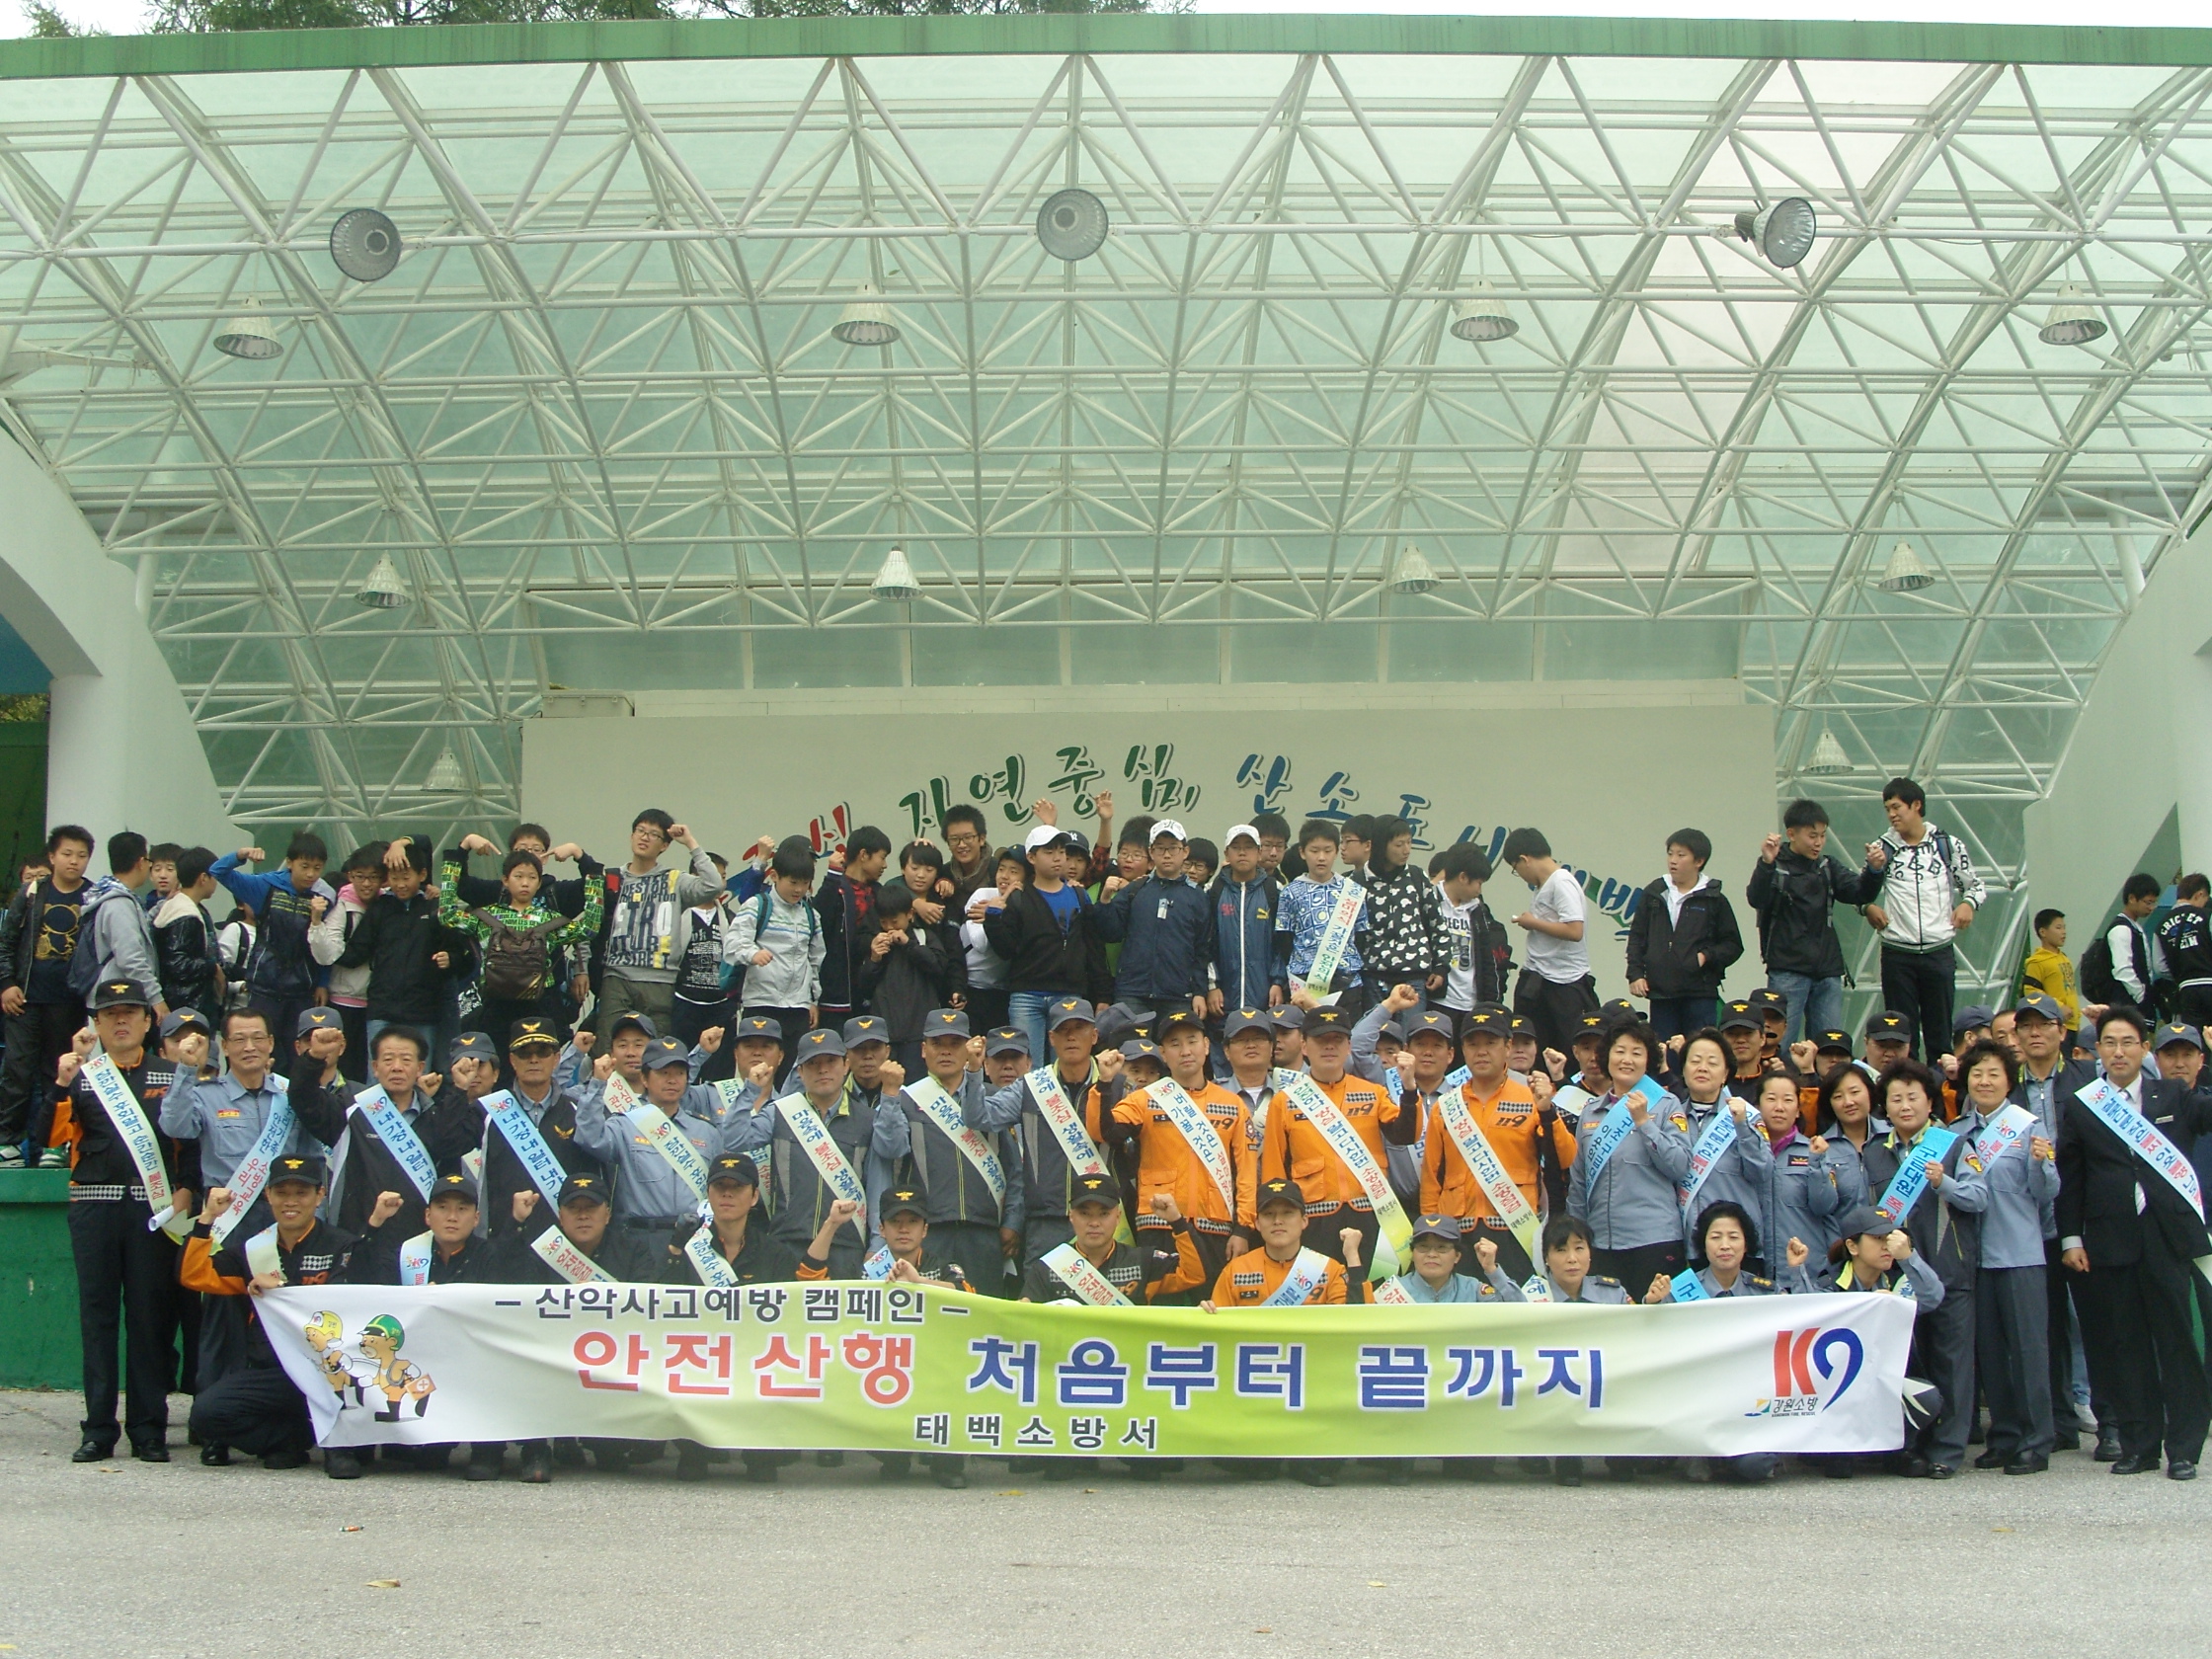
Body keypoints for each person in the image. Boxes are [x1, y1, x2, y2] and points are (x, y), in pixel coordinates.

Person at [2058, 1005, 2212, 1479]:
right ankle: (2140, 1446)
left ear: (2145, 1049)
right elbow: (2072, 1177)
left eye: (2128, 1042)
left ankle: (2183, 1448)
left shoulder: (2174, 1093)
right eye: (2110, 1043)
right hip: (2111, 1237)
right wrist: (2071, 1237)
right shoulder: (2083, 1104)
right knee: (2126, 1345)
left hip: (2166, 1236)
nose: (2119, 1052)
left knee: (2177, 1342)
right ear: (2098, 1050)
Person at [182, 1153, 380, 1476]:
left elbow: (346, 1304)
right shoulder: (252, 1250)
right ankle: (289, 1439)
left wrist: (284, 1288)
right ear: (268, 1196)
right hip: (274, 1371)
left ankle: (340, 1444)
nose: (291, 1202)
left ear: (319, 1196)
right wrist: (207, 1218)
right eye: (282, 1193)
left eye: (301, 1193)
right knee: (206, 1414)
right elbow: (193, 1275)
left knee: (348, 1466)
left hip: (330, 1373)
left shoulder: (342, 1245)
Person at [55, 978, 183, 1463]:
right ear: (97, 1024)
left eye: (131, 1012)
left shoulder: (169, 1074)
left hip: (152, 1213)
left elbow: (188, 1144)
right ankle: (98, 1429)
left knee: (150, 1318)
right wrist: (62, 1083)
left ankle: (148, 1429)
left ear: (149, 1022)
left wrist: (186, 1191)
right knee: (98, 1317)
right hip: (94, 1208)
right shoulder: (83, 1074)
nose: (121, 1021)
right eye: (110, 1014)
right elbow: (51, 1135)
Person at [485, 1174, 662, 1477]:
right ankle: (536, 1449)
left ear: (607, 1214)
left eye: (590, 1208)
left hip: (612, 1351)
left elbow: (648, 1303)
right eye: (573, 1208)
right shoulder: (544, 1251)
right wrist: (516, 1222)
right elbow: (505, 1281)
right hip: (550, 1349)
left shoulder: (632, 1249)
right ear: (560, 1215)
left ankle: (607, 1443)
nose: (582, 1215)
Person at [1938, 1039, 2060, 1476]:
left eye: (1994, 1074)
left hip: (2019, 1253)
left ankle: (2036, 1440)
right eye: (1977, 1073)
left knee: (2028, 1352)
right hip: (1973, 1259)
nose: (1985, 1081)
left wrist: (2042, 1164)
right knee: (1989, 1354)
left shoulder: (2026, 1127)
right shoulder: (1955, 1133)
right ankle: (2004, 1437)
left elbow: (2046, 1193)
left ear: (2009, 1081)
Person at [1862, 1060, 1977, 1478]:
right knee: (1910, 1362)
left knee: (1952, 1364)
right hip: (1898, 1280)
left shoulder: (1954, 1145)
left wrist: (1944, 1182)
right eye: (1896, 1099)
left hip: (1948, 1271)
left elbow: (1978, 1198)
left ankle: (1947, 1450)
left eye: (1913, 1097)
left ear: (1930, 1102)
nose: (1905, 1106)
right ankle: (1913, 1446)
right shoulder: (1875, 1152)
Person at [875, 1008, 1023, 1298]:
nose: (945, 1051)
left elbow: (1014, 1168)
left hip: (984, 1230)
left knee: (984, 1309)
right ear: (923, 1049)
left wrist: (1013, 1222)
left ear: (968, 1049)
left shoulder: (993, 1097)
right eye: (937, 1044)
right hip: (929, 1231)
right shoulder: (906, 1099)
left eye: (954, 1044)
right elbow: (889, 1148)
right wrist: (890, 1094)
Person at [1107, 1006, 1255, 1294]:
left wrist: (1243, 1229)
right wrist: (1104, 1084)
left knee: (1213, 1307)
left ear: (1206, 1046)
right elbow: (1106, 1130)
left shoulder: (1233, 1104)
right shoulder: (1145, 1099)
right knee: (1160, 1307)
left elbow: (1246, 1174)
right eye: (1175, 1044)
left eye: (1192, 1041)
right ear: (1163, 1054)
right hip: (1158, 1224)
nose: (1185, 1051)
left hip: (1215, 1227)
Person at [1421, 1006, 1573, 1284]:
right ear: (1462, 1050)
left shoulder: (1530, 1098)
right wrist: (1432, 1230)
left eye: (1490, 1043)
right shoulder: (1446, 1106)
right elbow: (1432, 1178)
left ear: (1508, 1047)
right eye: (1473, 1044)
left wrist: (1548, 1111)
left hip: (1515, 1227)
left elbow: (1566, 1157)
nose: (1481, 1052)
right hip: (1457, 1231)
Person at [284, 1023, 479, 1236]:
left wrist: (459, 1090)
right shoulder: (350, 1112)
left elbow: (451, 1143)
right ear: (375, 1068)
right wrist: (314, 1058)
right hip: (358, 1236)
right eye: (388, 1060)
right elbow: (303, 1099)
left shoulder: (434, 1116)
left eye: (406, 1060)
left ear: (420, 1068)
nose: (397, 1067)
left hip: (419, 1241)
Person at [1258, 1004, 1413, 1269]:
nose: (1329, 1046)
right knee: (1320, 1290)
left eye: (1337, 1039)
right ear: (1304, 1046)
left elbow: (1404, 1135)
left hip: (1373, 1213)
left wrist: (1409, 1090)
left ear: (1349, 1046)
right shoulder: (1284, 1102)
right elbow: (1274, 1171)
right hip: (1313, 1219)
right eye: (1321, 1040)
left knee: (1375, 1287)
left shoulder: (1373, 1093)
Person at [739, 1026, 901, 1279]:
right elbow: (736, 1140)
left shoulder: (868, 1119)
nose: (822, 1069)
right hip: (788, 1240)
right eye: (813, 1063)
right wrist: (751, 1090)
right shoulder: (780, 1112)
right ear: (800, 1072)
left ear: (846, 1065)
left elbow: (878, 1186)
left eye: (830, 1061)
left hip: (847, 1244)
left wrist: (876, 1245)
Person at [1859, 777, 1985, 1062]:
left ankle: (1942, 1084)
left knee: (1940, 1033)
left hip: (1939, 951)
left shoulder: (1947, 845)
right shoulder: (1882, 848)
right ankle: (1906, 1082)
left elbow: (1975, 885)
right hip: (1897, 953)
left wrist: (1968, 904)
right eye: (1887, 809)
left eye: (1896, 807)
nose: (1891, 815)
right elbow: (1859, 891)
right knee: (1901, 1035)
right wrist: (1868, 907)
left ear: (1916, 805)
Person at [1564, 1021, 1691, 1290]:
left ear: (1648, 1060)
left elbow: (1680, 1165)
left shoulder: (1666, 1105)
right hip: (1601, 1241)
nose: (1627, 1060)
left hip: (1654, 1239)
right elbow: (1579, 1181)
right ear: (1607, 1055)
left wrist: (1645, 1123)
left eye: (1636, 1053)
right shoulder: (1590, 1111)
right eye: (1620, 1051)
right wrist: (1577, 1236)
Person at [438, 847, 602, 1049]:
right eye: (518, 876)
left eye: (532, 877)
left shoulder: (548, 918)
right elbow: (446, 915)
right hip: (495, 1007)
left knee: (537, 1061)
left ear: (539, 883)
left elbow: (589, 928)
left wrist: (589, 867)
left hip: (539, 1005)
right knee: (496, 1061)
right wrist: (459, 853)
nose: (525, 883)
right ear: (505, 880)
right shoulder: (486, 916)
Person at [0, 824, 94, 1167]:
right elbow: (7, 942)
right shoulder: (31, 893)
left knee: (59, 1072)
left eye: (81, 855)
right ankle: (8, 1143)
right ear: (52, 857)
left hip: (69, 1002)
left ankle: (55, 1144)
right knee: (17, 1070)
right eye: (67, 854)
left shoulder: (93, 897)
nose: (74, 861)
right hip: (24, 1000)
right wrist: (6, 983)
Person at [1745, 799, 1874, 1046]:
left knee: (1830, 1046)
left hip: (1827, 970)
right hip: (1787, 969)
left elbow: (1859, 893)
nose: (1818, 843)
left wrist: (1874, 871)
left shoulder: (1827, 866)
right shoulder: (1776, 866)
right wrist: (1766, 864)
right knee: (1781, 1044)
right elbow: (1756, 898)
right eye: (1812, 836)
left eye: (1823, 836)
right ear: (1791, 834)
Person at [588, 809, 725, 1035]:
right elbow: (590, 924)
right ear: (632, 835)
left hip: (661, 980)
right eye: (640, 831)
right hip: (616, 977)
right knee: (610, 1044)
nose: (644, 837)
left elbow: (713, 885)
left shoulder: (675, 879)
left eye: (653, 834)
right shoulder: (612, 879)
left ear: (664, 846)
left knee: (657, 1049)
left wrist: (690, 842)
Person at [981, 827, 1110, 1065]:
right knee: (1029, 1068)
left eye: (1061, 851)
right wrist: (993, 919)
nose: (1058, 858)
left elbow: (1093, 947)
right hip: (1027, 995)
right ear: (1031, 857)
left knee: (1068, 1066)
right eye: (1049, 852)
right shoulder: (1020, 896)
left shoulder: (1078, 895)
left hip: (1069, 994)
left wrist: (1102, 993)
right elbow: (1006, 950)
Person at [572, 1034, 721, 1233]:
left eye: (679, 1073)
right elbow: (589, 1139)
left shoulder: (706, 1130)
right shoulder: (625, 1125)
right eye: (663, 1073)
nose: (672, 1080)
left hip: (696, 1236)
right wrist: (597, 1084)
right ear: (644, 1078)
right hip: (642, 1235)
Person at [478, 1017, 600, 1240]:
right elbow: (483, 1186)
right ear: (512, 1060)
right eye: (524, 1053)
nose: (533, 1060)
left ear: (556, 1059)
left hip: (565, 1244)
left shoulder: (577, 1112)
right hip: (507, 1239)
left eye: (542, 1052)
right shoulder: (492, 1113)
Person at [337, 839, 454, 1052]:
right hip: (382, 1009)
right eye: (394, 878)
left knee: (418, 1067)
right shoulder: (380, 908)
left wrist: (451, 959)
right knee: (378, 1067)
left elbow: (458, 952)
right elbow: (356, 952)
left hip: (423, 1010)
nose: (400, 884)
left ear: (422, 875)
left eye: (406, 878)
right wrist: (321, 939)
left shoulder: (434, 908)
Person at [1625, 829, 1742, 1042]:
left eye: (1681, 855)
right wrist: (1635, 974)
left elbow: (1732, 944)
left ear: (1699, 861)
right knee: (1664, 1050)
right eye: (1670, 853)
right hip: (1661, 992)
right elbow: (1637, 936)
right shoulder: (1654, 893)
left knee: (1699, 1048)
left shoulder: (1713, 898)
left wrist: (1705, 956)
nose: (1673, 860)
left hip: (1700, 993)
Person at [210, 834, 331, 1042]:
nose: (311, 874)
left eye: (317, 868)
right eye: (304, 866)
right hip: (264, 987)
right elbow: (218, 871)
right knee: (262, 1045)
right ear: (290, 863)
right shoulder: (266, 886)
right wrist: (241, 855)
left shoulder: (324, 896)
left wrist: (322, 982)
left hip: (302, 990)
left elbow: (324, 946)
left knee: (298, 1050)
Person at [1094, 819, 1213, 1024]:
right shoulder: (1135, 889)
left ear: (1185, 852)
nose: (1166, 854)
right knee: (1132, 1044)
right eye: (1160, 848)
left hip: (1178, 994)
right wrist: (1104, 900)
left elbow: (1202, 949)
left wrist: (1200, 992)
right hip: (1133, 992)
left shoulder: (1197, 897)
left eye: (1173, 848)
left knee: (1177, 1044)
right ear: (1151, 852)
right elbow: (1110, 933)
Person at [725, 835, 826, 1068]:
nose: (799, 889)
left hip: (797, 1008)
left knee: (794, 1073)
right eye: (793, 882)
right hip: (761, 1003)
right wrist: (752, 954)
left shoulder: (811, 915)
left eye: (805, 883)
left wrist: (812, 1000)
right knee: (758, 1072)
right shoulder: (757, 905)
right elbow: (732, 943)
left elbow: (815, 960)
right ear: (774, 876)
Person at [1673, 1033, 1771, 1267]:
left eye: (1712, 1062)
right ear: (1683, 1070)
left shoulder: (1746, 1116)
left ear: (1726, 1073)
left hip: (1735, 1246)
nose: (1702, 1068)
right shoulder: (1670, 1116)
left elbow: (1763, 1172)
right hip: (1686, 1244)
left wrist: (1742, 1127)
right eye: (1695, 1061)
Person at [1500, 829, 1598, 1056]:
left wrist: (1533, 923)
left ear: (1524, 859)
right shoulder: (1544, 885)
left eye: (1515, 869)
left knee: (1565, 1048)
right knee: (1529, 1044)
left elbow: (1575, 930)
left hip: (1563, 981)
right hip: (1538, 976)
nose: (1519, 875)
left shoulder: (1561, 882)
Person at [856, 886, 962, 1078]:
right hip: (885, 1034)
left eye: (895, 921)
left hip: (918, 1034)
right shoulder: (876, 942)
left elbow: (939, 968)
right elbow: (864, 988)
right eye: (884, 922)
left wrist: (908, 945)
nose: (889, 927)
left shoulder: (924, 937)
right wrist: (874, 959)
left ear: (910, 914)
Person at [1761, 1067, 1861, 1261]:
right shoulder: (1747, 1151)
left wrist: (1817, 1163)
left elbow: (1825, 1205)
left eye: (1788, 1100)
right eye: (1771, 1099)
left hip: (1806, 1263)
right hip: (1758, 1264)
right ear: (1757, 1106)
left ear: (1798, 1110)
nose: (1779, 1107)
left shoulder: (1814, 1150)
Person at [1356, 817, 1449, 1013]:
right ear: (1381, 846)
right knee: (1376, 1030)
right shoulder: (1357, 882)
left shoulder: (1416, 877)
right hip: (1373, 977)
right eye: (1399, 844)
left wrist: (1441, 967)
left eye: (1409, 842)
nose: (1406, 850)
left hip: (1414, 976)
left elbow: (1437, 924)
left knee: (1411, 1031)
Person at [1273, 820, 1367, 1010]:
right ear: (1302, 852)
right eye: (1314, 851)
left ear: (1337, 851)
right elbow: (1284, 937)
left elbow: (1361, 935)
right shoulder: (1290, 892)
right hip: (1304, 980)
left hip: (1347, 980)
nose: (1321, 857)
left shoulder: (1352, 891)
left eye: (1328, 850)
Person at [78, 833, 166, 1018]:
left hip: (118, 995)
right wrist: (156, 999)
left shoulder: (113, 895)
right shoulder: (119, 903)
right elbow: (130, 958)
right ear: (140, 862)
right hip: (118, 998)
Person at [814, 825, 891, 1030]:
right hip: (836, 995)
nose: (885, 865)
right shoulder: (835, 887)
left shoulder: (879, 892)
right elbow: (818, 922)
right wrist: (832, 876)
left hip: (872, 994)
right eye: (882, 857)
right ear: (863, 855)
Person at [1211, 825, 1284, 1018]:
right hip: (1223, 1000)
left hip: (1266, 997)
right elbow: (1204, 943)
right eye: (1236, 847)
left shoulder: (1275, 891)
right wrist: (1212, 985)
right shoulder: (1213, 891)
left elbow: (1283, 943)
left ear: (1259, 853)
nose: (1242, 853)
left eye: (1249, 847)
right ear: (1226, 853)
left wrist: (1278, 982)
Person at [958, 847, 1029, 1035]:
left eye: (1013, 871)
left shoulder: (1028, 904)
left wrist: (997, 913)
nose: (1004, 876)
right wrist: (996, 909)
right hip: (972, 987)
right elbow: (981, 943)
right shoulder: (982, 895)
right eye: (1001, 869)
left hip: (1004, 990)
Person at [150, 847, 223, 1028]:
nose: (217, 882)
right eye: (215, 876)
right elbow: (178, 964)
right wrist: (212, 967)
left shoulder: (184, 907)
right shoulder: (185, 914)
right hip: (187, 1008)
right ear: (203, 878)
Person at [2084, 874, 2164, 1018]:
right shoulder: (2121, 929)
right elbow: (2123, 969)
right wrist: (2142, 997)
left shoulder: (2135, 928)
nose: (2151, 908)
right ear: (2132, 898)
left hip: (2134, 1005)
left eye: (2153, 903)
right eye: (2148, 902)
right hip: (2125, 1006)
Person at [2020, 909, 2092, 1045]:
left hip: (2073, 1024)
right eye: (2058, 928)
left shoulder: (2064, 958)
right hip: (2056, 1024)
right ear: (2043, 932)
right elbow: (2031, 991)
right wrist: (2058, 1007)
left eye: (2064, 928)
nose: (2063, 932)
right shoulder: (2037, 961)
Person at [2158, 875, 2212, 1030]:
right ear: (2200, 894)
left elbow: (2159, 967)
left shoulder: (2161, 924)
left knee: (2194, 1036)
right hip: (2210, 982)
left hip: (2186, 990)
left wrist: (2181, 974)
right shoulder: (2207, 916)